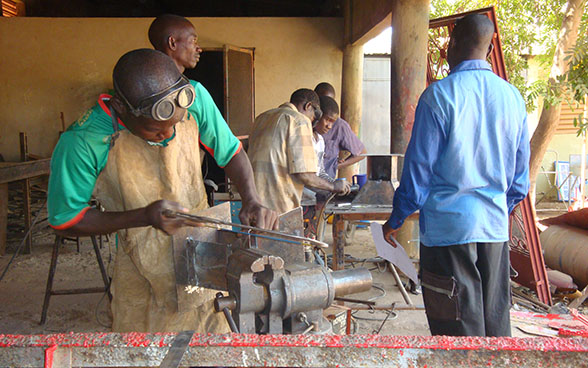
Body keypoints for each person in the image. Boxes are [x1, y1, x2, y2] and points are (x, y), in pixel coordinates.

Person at [47, 49, 277, 333]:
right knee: (147, 349)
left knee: (210, 337)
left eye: (176, 123)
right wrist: (143, 216)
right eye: (156, 130)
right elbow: (66, 219)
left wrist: (251, 198)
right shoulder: (84, 141)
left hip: (204, 254)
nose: (169, 134)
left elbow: (230, 152)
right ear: (120, 107)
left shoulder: (195, 97)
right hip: (139, 267)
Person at [381, 14, 530, 337]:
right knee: (495, 330)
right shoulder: (513, 98)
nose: (446, 48)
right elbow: (519, 182)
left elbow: (419, 173)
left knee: (456, 331)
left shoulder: (439, 97)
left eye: (450, 41)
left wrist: (396, 219)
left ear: (455, 44)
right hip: (493, 231)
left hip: (448, 233)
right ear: (490, 50)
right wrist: (497, 211)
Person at [248, 89, 350, 215]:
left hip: (252, 202)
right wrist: (334, 187)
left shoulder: (261, 118)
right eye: (312, 118)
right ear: (308, 106)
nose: (312, 123)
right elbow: (304, 174)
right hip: (279, 207)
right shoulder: (299, 120)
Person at [314, 82, 367, 179]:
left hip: (324, 183)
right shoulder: (304, 124)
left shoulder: (339, 126)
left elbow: (361, 153)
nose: (329, 126)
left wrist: (335, 166)